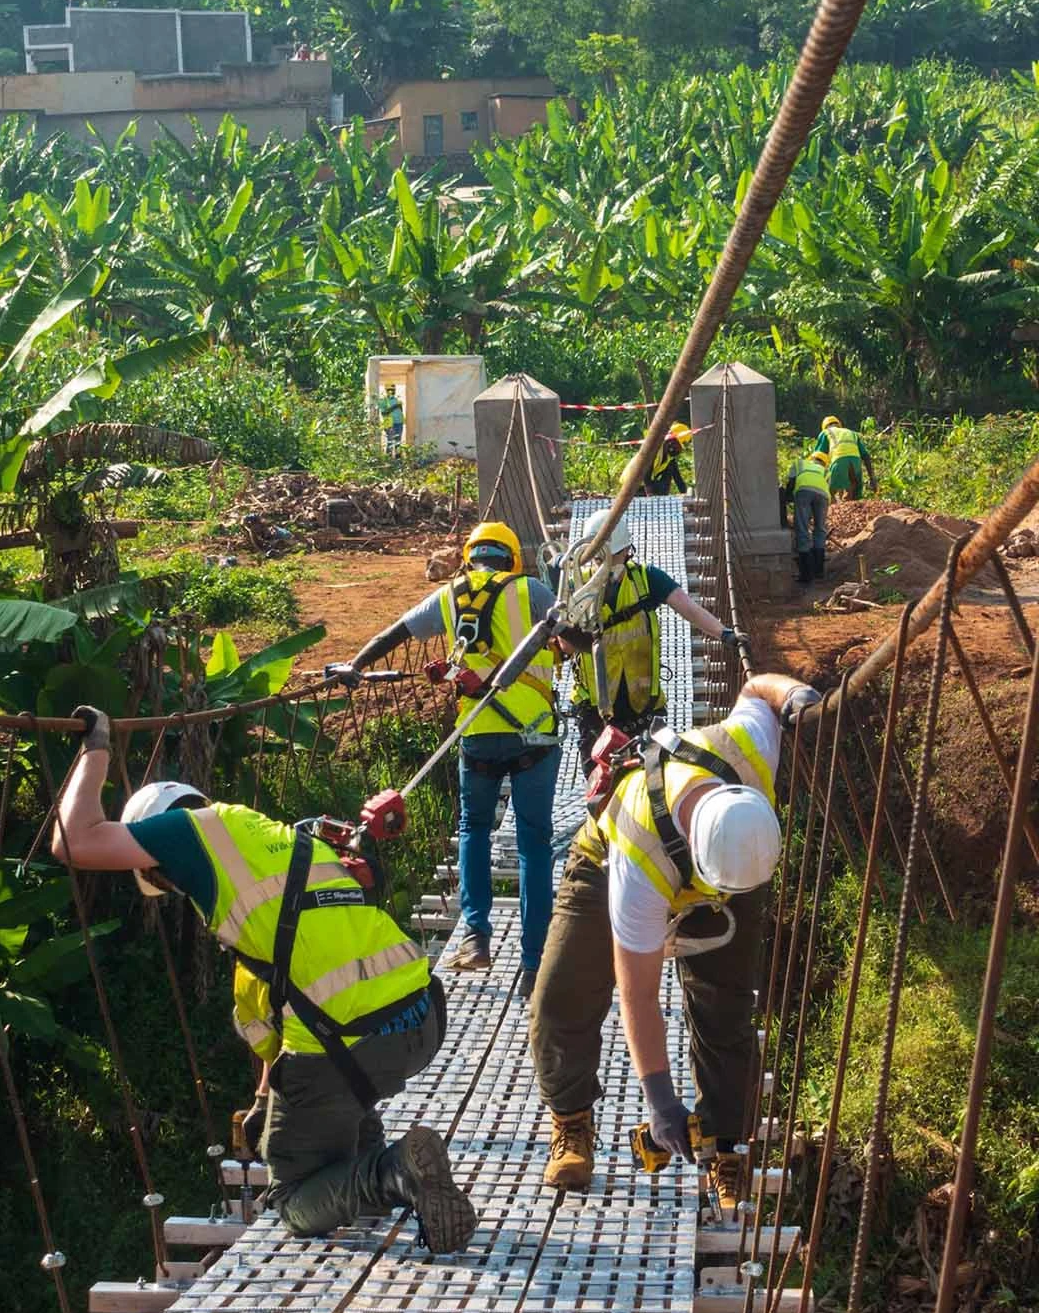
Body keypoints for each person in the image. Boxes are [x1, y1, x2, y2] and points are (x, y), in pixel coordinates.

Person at [48, 715, 477, 1253]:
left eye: (158, 875)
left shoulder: (188, 835)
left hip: (356, 1047)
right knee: (321, 1083)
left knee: (293, 1199)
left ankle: (394, 1172)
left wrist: (97, 746)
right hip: (425, 1017)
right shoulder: (278, 843)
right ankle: (366, 1151)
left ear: (158, 849)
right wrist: (263, 1101)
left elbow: (73, 841)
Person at [530, 672, 820, 1205]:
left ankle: (724, 1145)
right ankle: (571, 1121)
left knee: (726, 1006)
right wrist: (659, 1100)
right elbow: (638, 995)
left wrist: (793, 695)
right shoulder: (640, 861)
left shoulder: (750, 751)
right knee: (560, 994)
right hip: (606, 857)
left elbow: (756, 687)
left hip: (732, 877)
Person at [331, 521, 562, 999]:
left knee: (474, 830)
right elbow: (574, 630)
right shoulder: (533, 591)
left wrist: (356, 664)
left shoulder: (450, 595)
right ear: (512, 557)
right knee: (533, 845)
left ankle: (476, 935)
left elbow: (396, 632)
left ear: (469, 556)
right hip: (534, 736)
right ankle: (536, 960)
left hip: (476, 734)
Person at [567, 507, 749, 772]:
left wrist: (725, 634)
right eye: (604, 557)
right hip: (595, 710)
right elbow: (563, 644)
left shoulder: (646, 579)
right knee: (602, 787)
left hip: (643, 707)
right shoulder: (574, 588)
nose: (611, 563)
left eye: (617, 556)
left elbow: (688, 608)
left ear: (628, 550)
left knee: (654, 780)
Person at [785, 448, 830, 585]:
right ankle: (819, 570)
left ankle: (806, 574)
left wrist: (787, 498)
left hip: (803, 491)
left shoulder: (800, 463)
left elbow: (791, 483)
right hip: (823, 495)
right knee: (820, 529)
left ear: (812, 458)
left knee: (802, 528)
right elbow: (825, 487)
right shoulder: (825, 471)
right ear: (824, 463)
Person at [816, 415, 877, 501]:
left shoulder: (826, 432)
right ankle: (850, 506)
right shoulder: (852, 433)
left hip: (839, 461)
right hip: (856, 462)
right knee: (853, 494)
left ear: (825, 427)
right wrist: (872, 478)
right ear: (839, 425)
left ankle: (831, 511)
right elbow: (865, 456)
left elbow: (818, 457)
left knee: (828, 494)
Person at [645, 422, 692, 496]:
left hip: (646, 483)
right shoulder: (654, 449)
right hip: (634, 484)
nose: (680, 450)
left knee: (669, 470)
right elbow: (645, 472)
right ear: (672, 441)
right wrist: (649, 494)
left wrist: (685, 493)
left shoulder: (669, 457)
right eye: (679, 446)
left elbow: (677, 477)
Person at [379, 385, 404, 457]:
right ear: (386, 391)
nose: (392, 391)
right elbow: (383, 413)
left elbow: (400, 411)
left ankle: (398, 458)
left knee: (398, 442)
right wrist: (394, 406)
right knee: (390, 442)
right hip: (390, 425)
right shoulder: (383, 401)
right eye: (390, 390)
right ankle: (388, 459)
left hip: (399, 423)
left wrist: (399, 407)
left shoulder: (397, 400)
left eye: (393, 390)